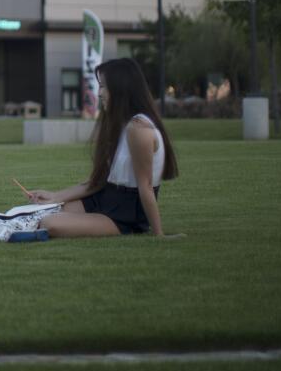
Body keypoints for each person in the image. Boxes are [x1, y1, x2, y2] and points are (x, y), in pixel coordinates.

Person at [27, 57, 179, 238]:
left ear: (121, 87)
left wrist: (159, 234)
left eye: (104, 86)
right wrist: (55, 196)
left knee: (49, 223)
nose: (99, 93)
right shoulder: (118, 124)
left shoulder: (139, 129)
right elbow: (98, 180)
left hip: (124, 214)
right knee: (36, 212)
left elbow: (145, 185)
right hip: (103, 197)